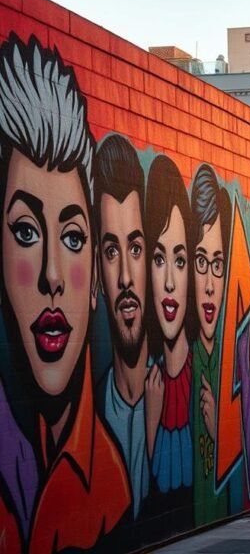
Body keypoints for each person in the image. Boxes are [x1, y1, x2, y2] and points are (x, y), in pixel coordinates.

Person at [0, 33, 130, 552]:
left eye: (74, 237)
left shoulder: (111, 490)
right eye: (26, 232)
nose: (53, 274)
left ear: (96, 275)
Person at [93, 136, 153, 520]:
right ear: (98, 267)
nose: (127, 278)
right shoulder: (90, 419)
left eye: (135, 248)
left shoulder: (177, 399)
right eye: (112, 252)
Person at [143, 155, 195, 531]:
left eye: (180, 260)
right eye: (159, 258)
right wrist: (150, 422)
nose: (170, 283)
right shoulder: (148, 383)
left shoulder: (204, 374)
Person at [189, 163, 238, 523]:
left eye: (218, 265)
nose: (209, 284)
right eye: (200, 262)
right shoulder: (182, 361)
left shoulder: (230, 359)